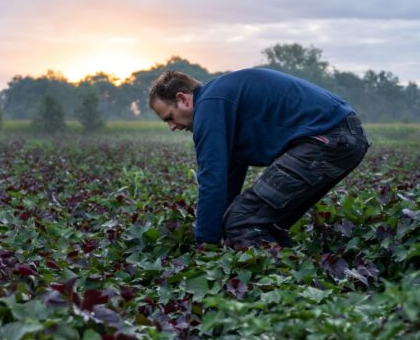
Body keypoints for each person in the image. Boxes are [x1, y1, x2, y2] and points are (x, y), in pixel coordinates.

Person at [148, 68, 369, 246]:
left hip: (328, 139)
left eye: (169, 117)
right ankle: (294, 280)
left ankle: (281, 289)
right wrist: (216, 229)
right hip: (344, 138)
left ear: (183, 99)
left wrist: (206, 244)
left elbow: (212, 179)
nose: (172, 127)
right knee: (264, 223)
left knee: (242, 221)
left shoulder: (209, 105)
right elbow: (227, 178)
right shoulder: (221, 101)